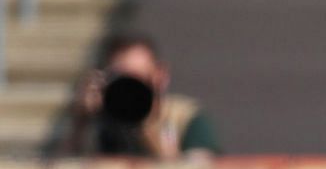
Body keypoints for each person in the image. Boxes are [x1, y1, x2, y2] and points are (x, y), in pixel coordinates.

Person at [63, 33, 220, 160]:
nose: (129, 91)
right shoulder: (99, 121)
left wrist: (152, 136)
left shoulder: (184, 118)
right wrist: (80, 122)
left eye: (137, 80)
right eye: (122, 81)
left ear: (160, 76)